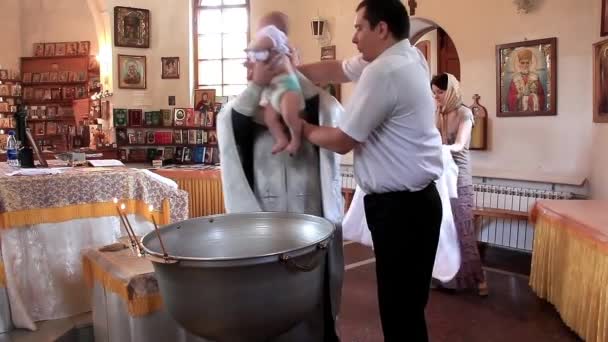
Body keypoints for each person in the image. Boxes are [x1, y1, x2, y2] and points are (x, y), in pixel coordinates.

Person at [296, 1, 444, 340]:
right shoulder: (408, 57)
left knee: (399, 311)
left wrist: (300, 130)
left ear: (382, 29)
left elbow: (343, 139)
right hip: (419, 204)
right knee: (408, 309)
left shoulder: (384, 72)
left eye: (359, 27)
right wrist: (292, 73)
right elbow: (338, 69)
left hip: (400, 211)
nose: (353, 37)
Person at [216, 35, 344, 342]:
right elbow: (231, 119)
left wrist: (289, 73)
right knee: (269, 313)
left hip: (314, 227)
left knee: (314, 308)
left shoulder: (317, 107)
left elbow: (330, 108)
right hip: (266, 231)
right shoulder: (240, 114)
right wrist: (260, 84)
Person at [431, 72, 488, 296]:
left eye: (441, 92)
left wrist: (441, 148)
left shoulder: (465, 112)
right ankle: (447, 279)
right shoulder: (437, 113)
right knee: (443, 228)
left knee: (463, 228)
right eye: (434, 92)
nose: (437, 96)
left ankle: (479, 279)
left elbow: (460, 144)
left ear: (452, 90)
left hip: (459, 177)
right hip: (440, 175)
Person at [246, 11, 305, 155]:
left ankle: (296, 139)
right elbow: (255, 66)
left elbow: (266, 42)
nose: (260, 33)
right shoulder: (265, 45)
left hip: (287, 87)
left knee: (289, 115)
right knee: (269, 118)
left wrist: (253, 47)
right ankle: (281, 139)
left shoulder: (275, 37)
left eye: (262, 29)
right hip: (273, 91)